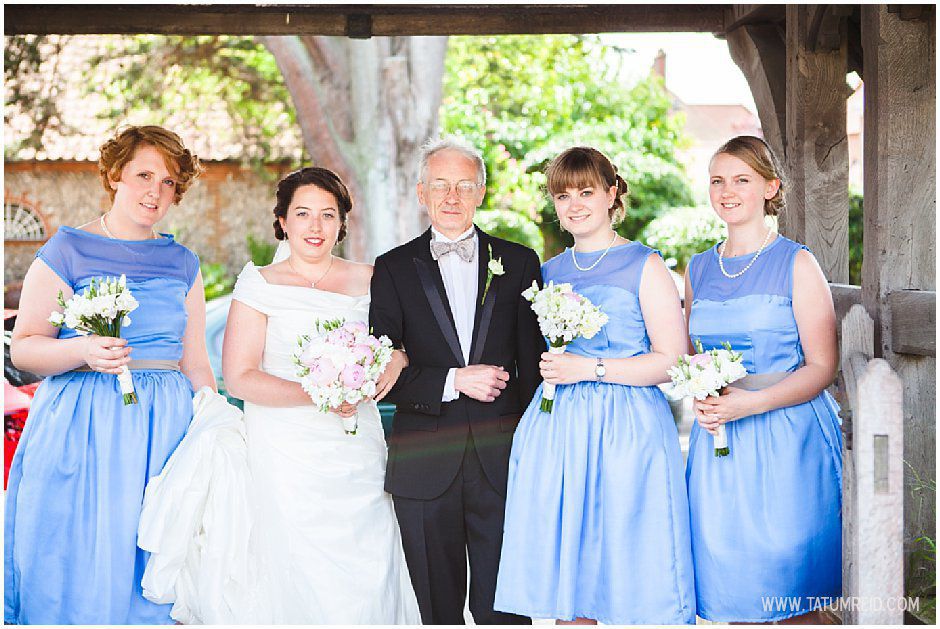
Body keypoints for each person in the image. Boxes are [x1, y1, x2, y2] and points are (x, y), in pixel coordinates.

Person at [4, 125, 215, 624]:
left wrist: (215, 425)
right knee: (82, 548)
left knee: (155, 551)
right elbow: (26, 348)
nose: (155, 192)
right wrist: (82, 349)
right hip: (84, 427)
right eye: (144, 175)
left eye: (168, 182)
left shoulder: (182, 262)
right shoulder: (67, 249)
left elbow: (195, 362)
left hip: (163, 433)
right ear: (116, 175)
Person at [493, 146, 696, 624]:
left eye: (586, 191)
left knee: (626, 564)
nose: (574, 204)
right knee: (570, 570)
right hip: (558, 427)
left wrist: (593, 368)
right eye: (562, 195)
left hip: (626, 429)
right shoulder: (549, 272)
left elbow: (673, 361)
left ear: (611, 193)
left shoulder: (644, 265)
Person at [217, 166, 420, 623]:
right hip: (285, 447)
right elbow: (241, 377)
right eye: (303, 214)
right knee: (297, 559)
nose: (315, 226)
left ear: (341, 223)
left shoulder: (373, 278)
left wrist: (399, 358)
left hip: (356, 442)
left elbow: (404, 345)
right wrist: (320, 395)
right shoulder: (259, 283)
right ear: (283, 221)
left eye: (328, 215)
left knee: (368, 548)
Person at [369, 137, 544, 624]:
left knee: (506, 610)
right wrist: (453, 380)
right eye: (440, 186)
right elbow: (381, 375)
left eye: (464, 186)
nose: (452, 197)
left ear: (481, 193)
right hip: (424, 464)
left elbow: (533, 369)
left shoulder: (521, 263)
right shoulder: (392, 268)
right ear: (421, 192)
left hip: (503, 464)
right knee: (434, 610)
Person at [684, 135, 842, 623]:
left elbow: (821, 366)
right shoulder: (697, 268)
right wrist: (704, 397)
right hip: (720, 443)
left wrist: (750, 404)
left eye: (742, 180)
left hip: (788, 440)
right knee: (733, 584)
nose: (727, 191)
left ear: (770, 187)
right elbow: (694, 354)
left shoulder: (797, 262)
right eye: (717, 180)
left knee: (790, 585)